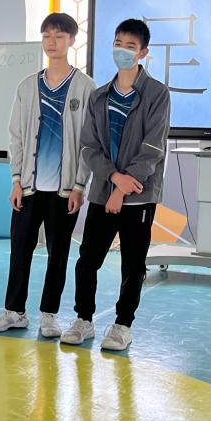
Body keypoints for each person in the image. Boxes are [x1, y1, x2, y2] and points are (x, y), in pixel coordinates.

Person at [0, 12, 96, 338]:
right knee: (20, 251)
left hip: (64, 191)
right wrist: (16, 180)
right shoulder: (28, 86)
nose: (52, 42)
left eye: (59, 36)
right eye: (47, 35)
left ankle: (49, 315)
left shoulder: (85, 87)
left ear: (71, 40)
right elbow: (16, 136)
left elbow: (89, 143)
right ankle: (14, 312)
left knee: (58, 255)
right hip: (29, 188)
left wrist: (79, 186)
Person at [61, 19, 170, 351]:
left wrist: (123, 189)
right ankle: (84, 319)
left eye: (130, 46)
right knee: (87, 260)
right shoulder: (99, 96)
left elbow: (152, 148)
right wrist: (113, 179)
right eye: (118, 43)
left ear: (143, 53)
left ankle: (123, 325)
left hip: (138, 197)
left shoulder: (156, 94)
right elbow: (89, 147)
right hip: (102, 194)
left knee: (132, 265)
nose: (122, 51)